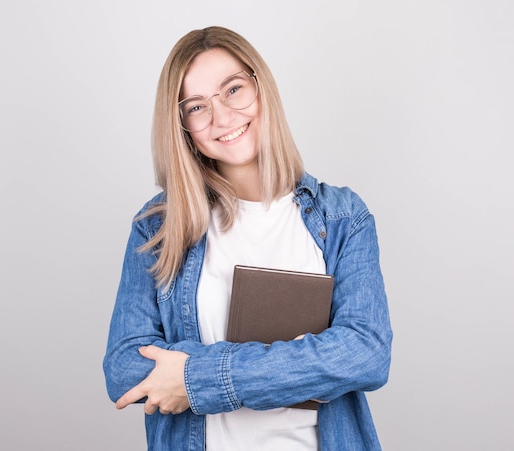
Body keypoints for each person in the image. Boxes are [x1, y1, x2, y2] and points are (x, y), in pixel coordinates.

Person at [103, 25, 392, 451]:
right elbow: (126, 370)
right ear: (182, 126)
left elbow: (366, 353)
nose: (222, 117)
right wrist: (303, 360)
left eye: (233, 90)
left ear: (260, 87)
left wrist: (194, 378)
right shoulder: (158, 226)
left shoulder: (344, 217)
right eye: (197, 106)